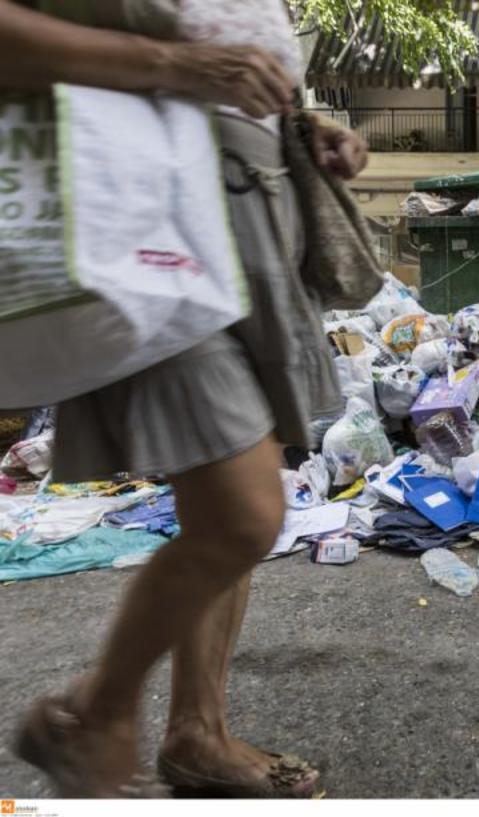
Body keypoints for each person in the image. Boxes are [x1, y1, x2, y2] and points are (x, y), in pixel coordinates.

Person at [1, 0, 368, 798]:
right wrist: (179, 70)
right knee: (244, 514)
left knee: (231, 503)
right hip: (150, 225)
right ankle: (92, 716)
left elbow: (225, 45)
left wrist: (300, 122)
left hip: (249, 221)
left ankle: (197, 733)